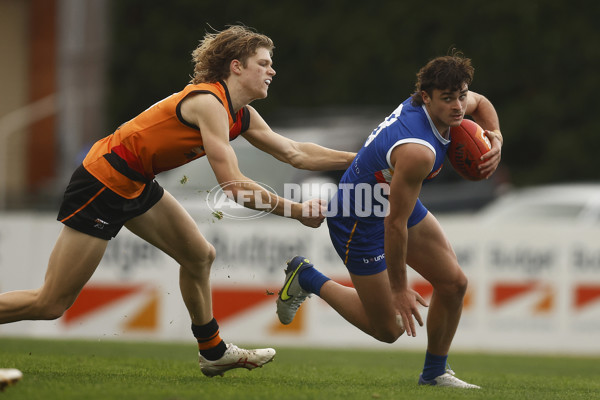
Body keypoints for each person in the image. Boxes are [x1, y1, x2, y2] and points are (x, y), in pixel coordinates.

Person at [0, 25, 355, 378]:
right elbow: (234, 186)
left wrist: (363, 157)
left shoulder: (239, 113)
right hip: (103, 182)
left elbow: (295, 153)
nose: (272, 70)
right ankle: (213, 351)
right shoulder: (209, 103)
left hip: (137, 182)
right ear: (236, 66)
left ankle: (213, 353)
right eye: (263, 63)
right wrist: (295, 211)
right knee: (51, 303)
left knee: (199, 255)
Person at [276, 52, 502, 389]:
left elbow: (481, 103)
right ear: (425, 97)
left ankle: (434, 374)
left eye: (461, 95)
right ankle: (307, 277)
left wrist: (495, 135)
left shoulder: (447, 104)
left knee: (454, 284)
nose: (458, 106)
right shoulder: (418, 151)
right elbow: (393, 226)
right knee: (389, 329)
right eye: (448, 99)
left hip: (392, 201)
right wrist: (399, 288)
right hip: (359, 215)